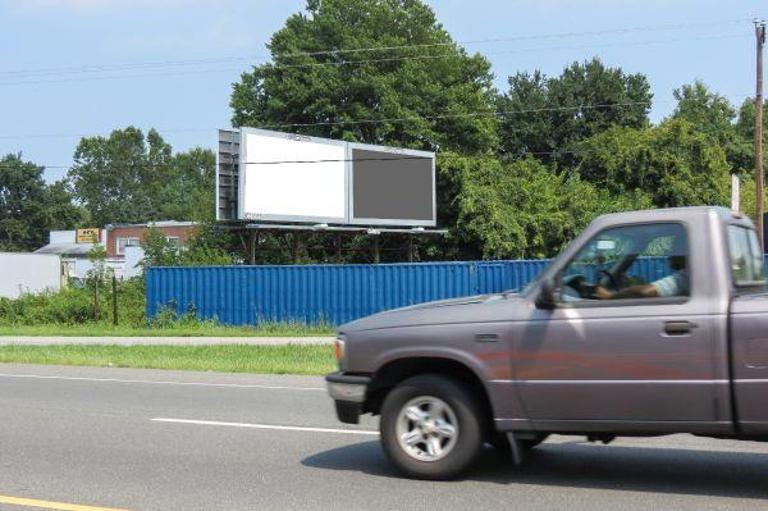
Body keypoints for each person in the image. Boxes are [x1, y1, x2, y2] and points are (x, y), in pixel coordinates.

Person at [595, 252, 688, 300]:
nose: (670, 255)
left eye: (675, 250)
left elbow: (647, 292)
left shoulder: (686, 276)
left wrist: (611, 296)